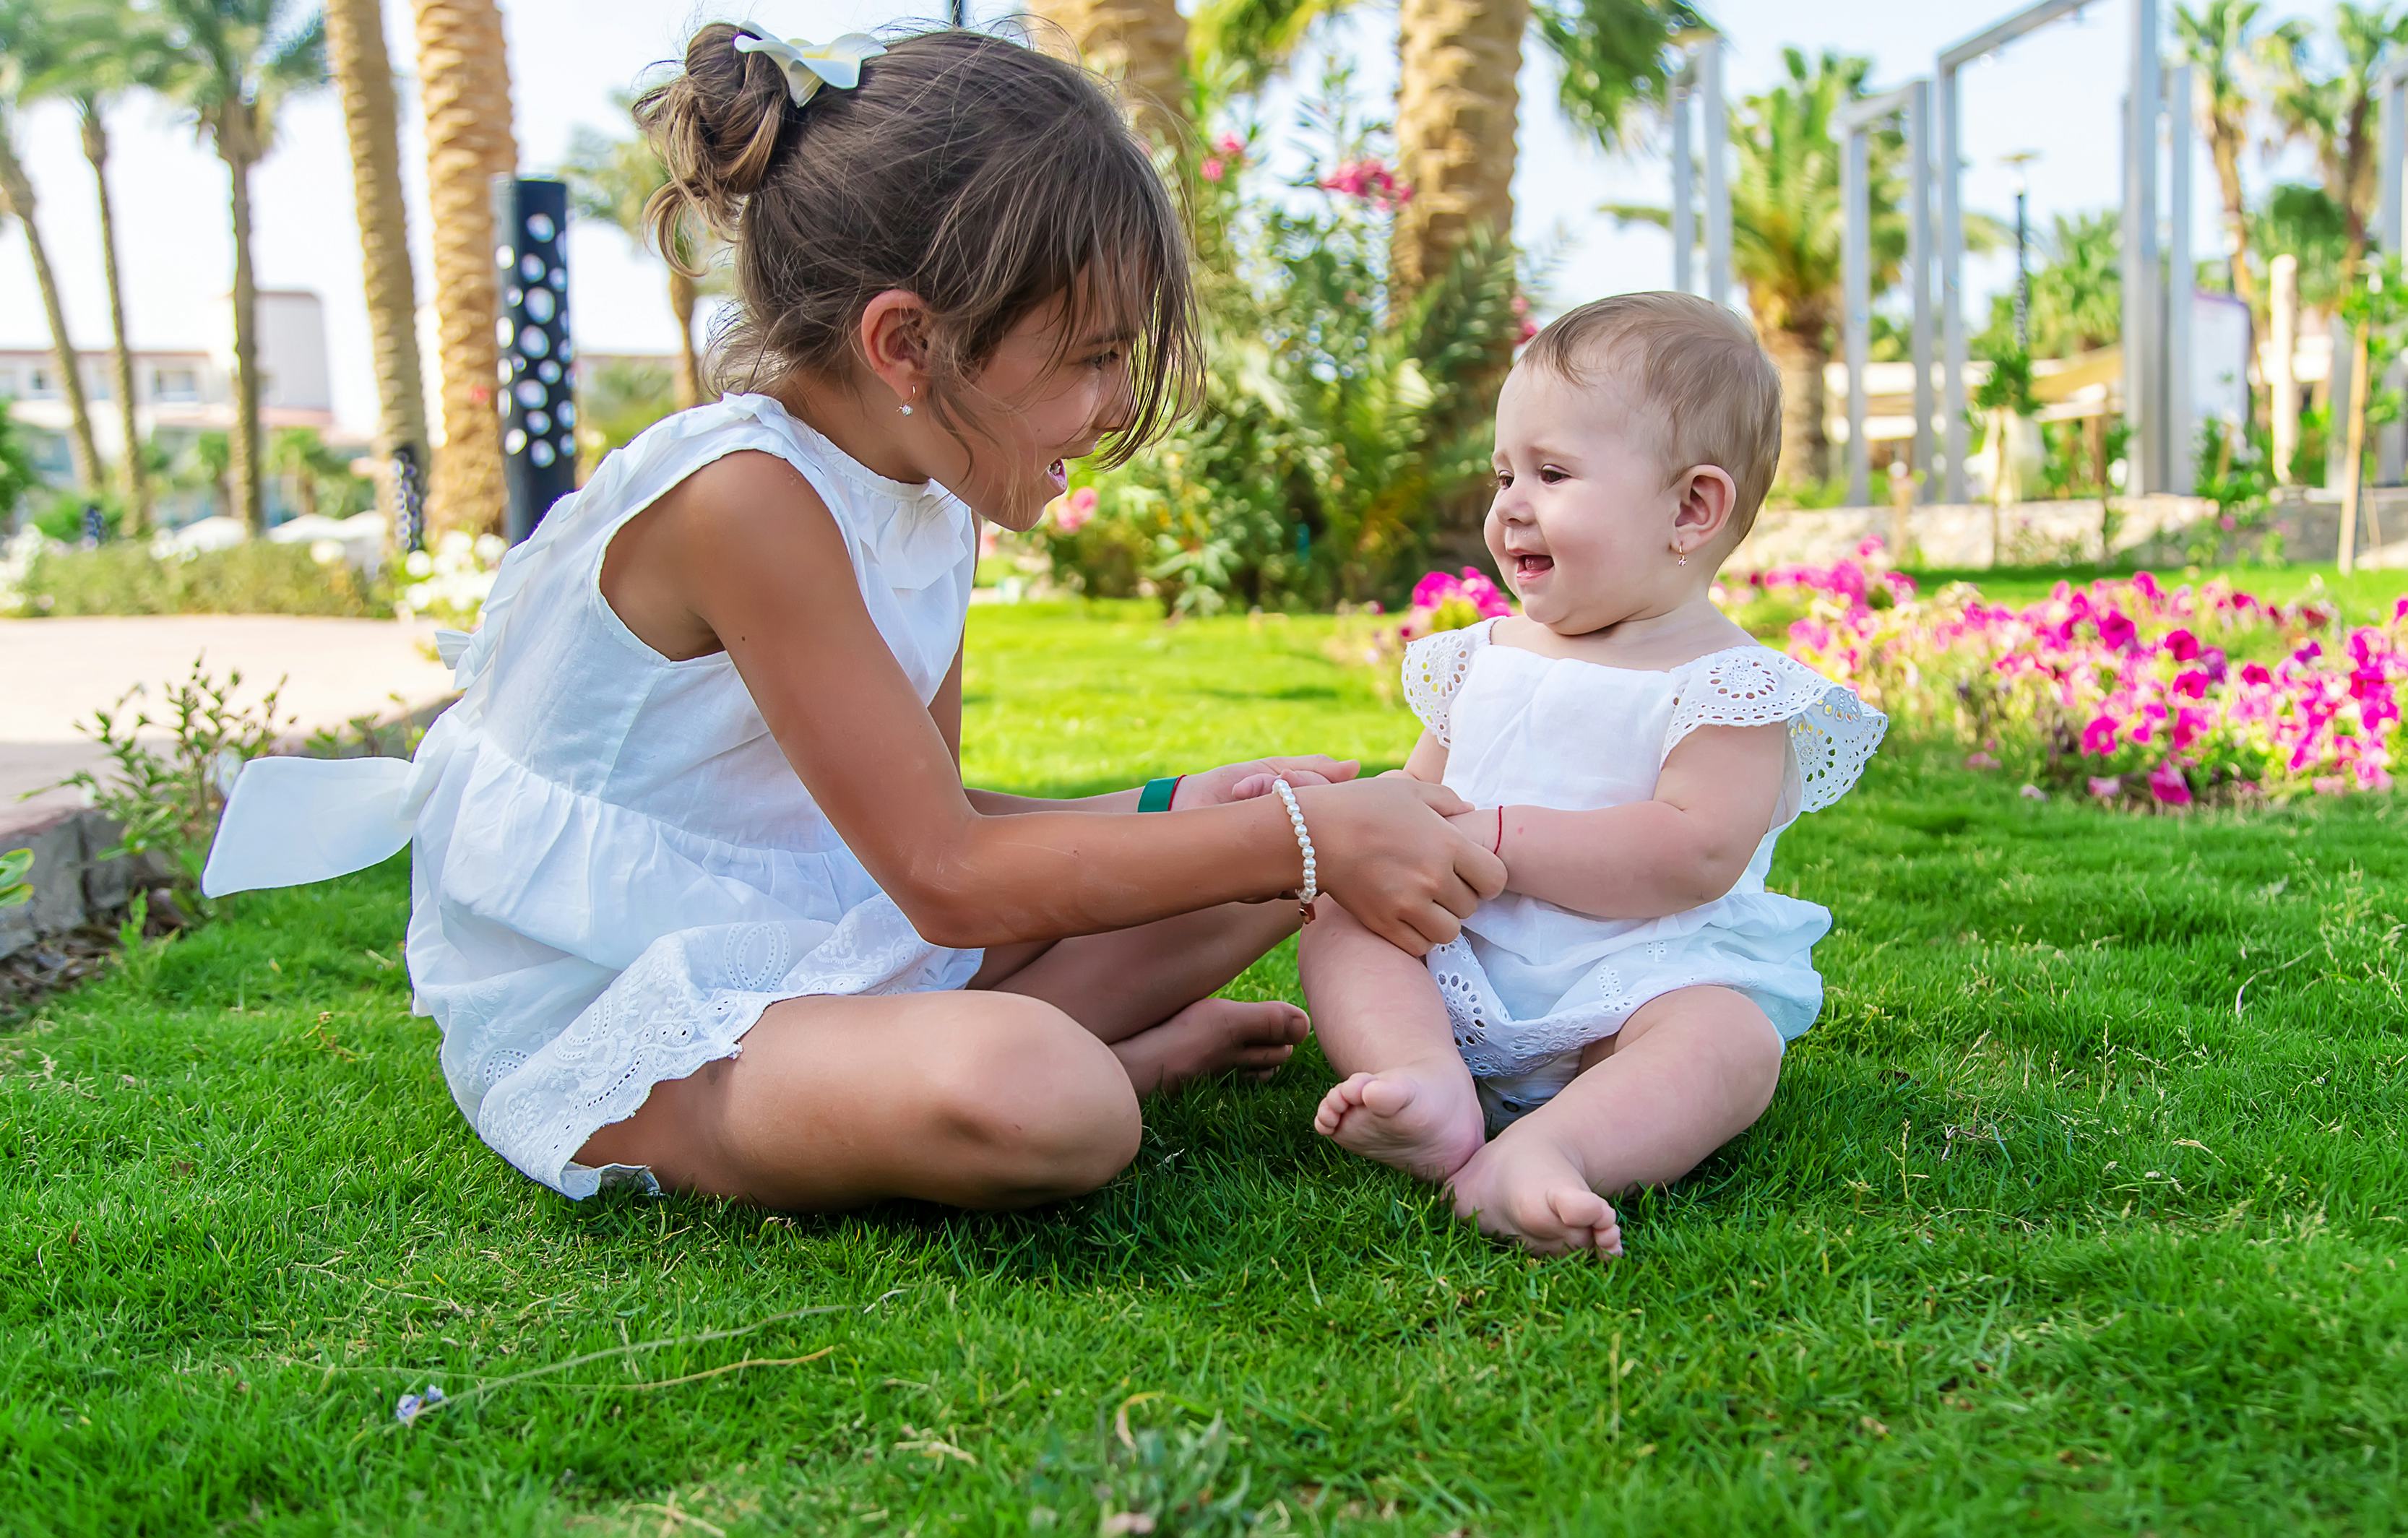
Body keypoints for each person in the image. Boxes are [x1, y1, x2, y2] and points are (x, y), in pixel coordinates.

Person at [203, 25, 1503, 1210]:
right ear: (906, 345)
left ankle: (1036, 1047)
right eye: (1093, 357)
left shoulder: (926, 499)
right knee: (1058, 1090)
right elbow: (944, 878)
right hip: (619, 990)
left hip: (797, 911)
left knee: (1261, 855)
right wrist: (1295, 835)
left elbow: (929, 807)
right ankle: (1073, 1066)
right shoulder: (745, 502)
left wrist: (1187, 806)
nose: (1114, 405)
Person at [1299, 293, 1887, 1257]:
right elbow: (1419, 802)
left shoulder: (1728, 687)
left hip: (1633, 985)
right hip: (1458, 962)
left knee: (1730, 1043)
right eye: (1503, 475)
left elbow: (1689, 852)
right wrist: (1376, 828)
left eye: (1552, 473)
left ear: (1689, 508)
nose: (1509, 506)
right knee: (1344, 919)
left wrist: (1497, 837)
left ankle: (1550, 1148)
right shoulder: (1481, 656)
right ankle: (1425, 1080)